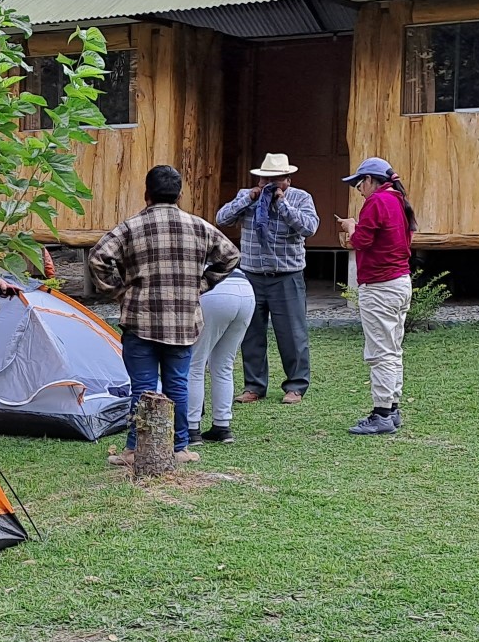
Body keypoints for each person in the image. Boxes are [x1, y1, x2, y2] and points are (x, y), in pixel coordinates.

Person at [88, 165, 242, 462]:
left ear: (146, 193)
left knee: (143, 388)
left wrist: (118, 291)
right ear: (180, 194)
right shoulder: (199, 226)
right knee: (177, 385)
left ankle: (135, 450)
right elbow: (231, 255)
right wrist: (202, 284)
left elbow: (98, 258)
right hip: (183, 321)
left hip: (140, 320)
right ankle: (179, 447)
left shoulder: (131, 227)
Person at [216, 153, 320, 406]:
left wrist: (282, 204)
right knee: (251, 333)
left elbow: (309, 227)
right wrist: (249, 199)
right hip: (251, 274)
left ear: (288, 179)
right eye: (266, 179)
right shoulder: (246, 195)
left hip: (287, 275)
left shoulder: (301, 198)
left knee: (292, 334)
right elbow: (221, 219)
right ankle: (254, 386)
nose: (271, 184)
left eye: (277, 179)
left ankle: (295, 386)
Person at [335, 158, 417, 435]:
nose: (359, 189)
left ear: (371, 180)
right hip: (400, 281)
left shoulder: (377, 202)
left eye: (360, 183)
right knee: (393, 349)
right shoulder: (398, 200)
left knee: (379, 352)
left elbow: (362, 241)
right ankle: (391, 408)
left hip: (380, 286)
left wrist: (351, 227)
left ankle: (381, 413)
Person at [187, 270, 256, 444]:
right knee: (224, 364)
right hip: (245, 289)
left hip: (213, 289)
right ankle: (222, 426)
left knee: (194, 363)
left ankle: (191, 428)